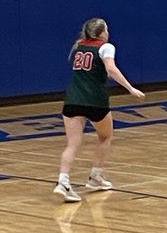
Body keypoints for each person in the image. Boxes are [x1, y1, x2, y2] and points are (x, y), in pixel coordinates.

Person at [54, 17, 145, 202]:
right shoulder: (106, 47)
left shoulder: (79, 46)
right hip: (95, 100)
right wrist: (130, 88)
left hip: (72, 98)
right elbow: (110, 70)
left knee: (72, 144)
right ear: (102, 32)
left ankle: (63, 182)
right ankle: (95, 176)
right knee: (105, 136)